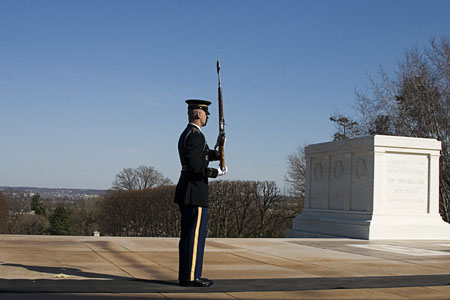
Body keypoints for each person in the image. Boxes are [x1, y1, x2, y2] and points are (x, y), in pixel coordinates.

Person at [174, 99, 227, 287]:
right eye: (205, 114)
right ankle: (191, 277)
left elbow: (201, 156)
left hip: (187, 190)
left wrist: (218, 150)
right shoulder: (196, 136)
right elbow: (198, 167)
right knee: (195, 237)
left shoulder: (189, 134)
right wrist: (216, 172)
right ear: (198, 114)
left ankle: (186, 275)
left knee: (189, 236)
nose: (207, 117)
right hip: (194, 191)